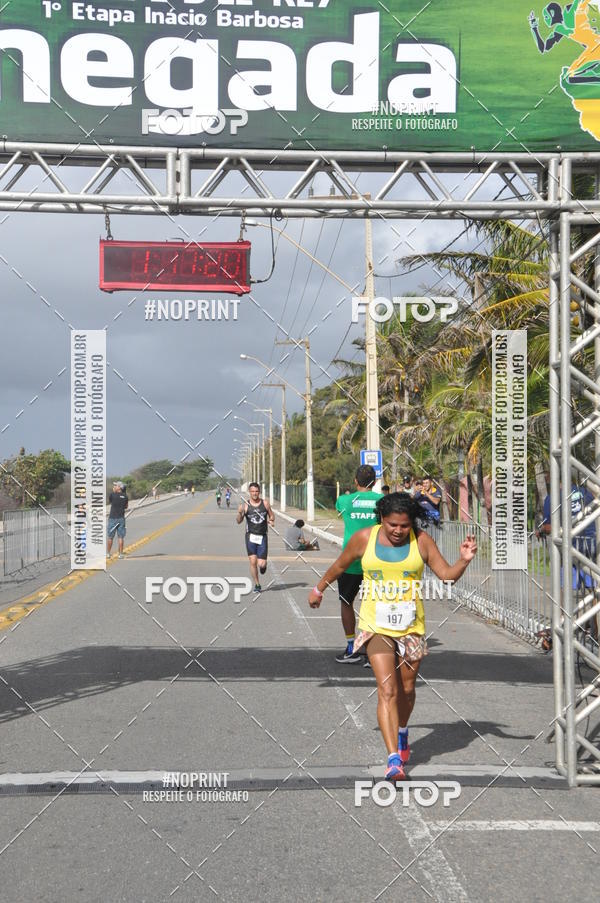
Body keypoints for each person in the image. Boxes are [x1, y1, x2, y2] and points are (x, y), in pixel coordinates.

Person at [308, 493, 477, 781]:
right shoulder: (364, 538)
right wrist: (319, 589)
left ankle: (402, 731)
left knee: (407, 689)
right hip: (375, 625)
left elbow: (447, 576)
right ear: (381, 520)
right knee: (387, 690)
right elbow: (339, 565)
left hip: (412, 627)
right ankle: (393, 759)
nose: (398, 531)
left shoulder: (421, 541)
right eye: (392, 525)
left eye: (404, 525)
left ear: (412, 523)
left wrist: (463, 560)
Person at [334, 464, 383, 665]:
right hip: (376, 558)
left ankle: (351, 647)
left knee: (346, 602)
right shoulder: (381, 500)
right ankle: (374, 652)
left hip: (351, 559)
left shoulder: (345, 500)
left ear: (355, 481)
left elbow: (339, 509)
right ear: (375, 481)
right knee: (376, 603)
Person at [237, 482, 275, 592]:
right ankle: (257, 584)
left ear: (259, 492)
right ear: (249, 492)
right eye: (252, 491)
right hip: (250, 536)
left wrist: (271, 520)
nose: (254, 493)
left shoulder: (265, 503)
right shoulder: (245, 505)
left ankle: (263, 566)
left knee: (261, 564)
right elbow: (238, 521)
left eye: (256, 491)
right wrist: (239, 513)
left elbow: (271, 515)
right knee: (253, 562)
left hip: (262, 536)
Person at [107, 480, 128, 559]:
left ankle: (108, 553)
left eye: (116, 485)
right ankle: (120, 554)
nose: (114, 487)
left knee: (110, 537)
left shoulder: (112, 494)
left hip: (112, 518)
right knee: (120, 537)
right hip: (121, 519)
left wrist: (114, 492)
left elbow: (110, 501)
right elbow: (126, 506)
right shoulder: (125, 496)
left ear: (119, 487)